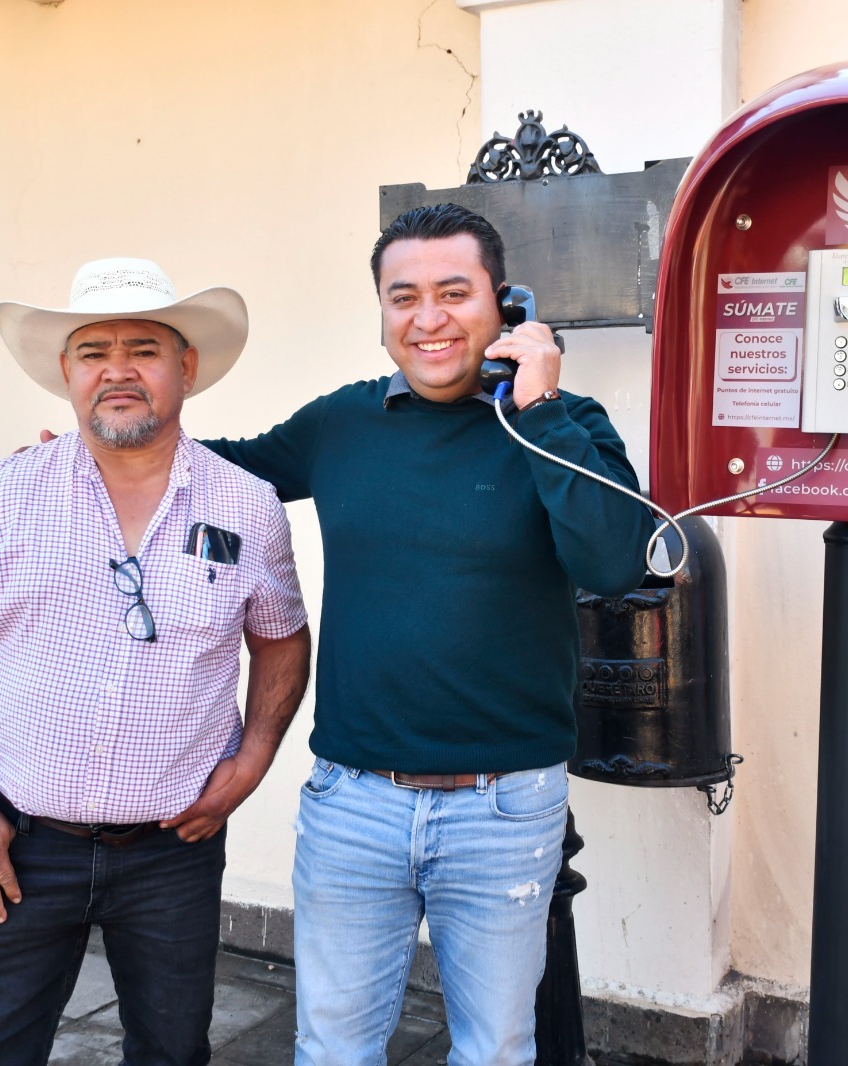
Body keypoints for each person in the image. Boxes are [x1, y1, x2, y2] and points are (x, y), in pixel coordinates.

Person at [201, 204, 654, 1065]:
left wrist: (540, 407)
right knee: (333, 1049)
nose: (429, 317)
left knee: (492, 1053)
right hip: (353, 802)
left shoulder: (566, 423)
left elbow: (612, 563)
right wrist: (102, 456)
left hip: (504, 805)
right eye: (402, 296)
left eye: (455, 292)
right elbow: (222, 469)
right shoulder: (343, 424)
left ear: (505, 306)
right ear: (382, 317)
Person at [0, 258, 312, 1066]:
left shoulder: (247, 505)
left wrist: (256, 755)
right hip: (16, 844)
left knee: (171, 1051)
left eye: (144, 348)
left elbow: (282, 637)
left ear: (185, 367)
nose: (117, 369)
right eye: (93, 351)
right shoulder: (1, 494)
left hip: (172, 852)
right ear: (67, 373)